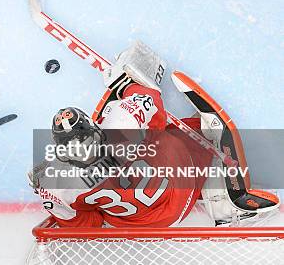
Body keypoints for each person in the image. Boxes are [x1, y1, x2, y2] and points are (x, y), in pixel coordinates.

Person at [30, 41, 279, 228]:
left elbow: (85, 226)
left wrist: (48, 185)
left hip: (139, 225)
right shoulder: (122, 124)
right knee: (181, 134)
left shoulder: (56, 183)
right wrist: (128, 86)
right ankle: (222, 201)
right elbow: (154, 103)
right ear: (94, 129)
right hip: (179, 193)